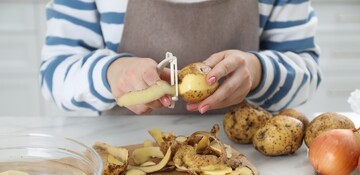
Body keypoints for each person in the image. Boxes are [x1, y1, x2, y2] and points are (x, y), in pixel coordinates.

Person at [40, 0, 322, 115]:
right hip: (123, 158)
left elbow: (307, 70)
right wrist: (110, 72)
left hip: (243, 162)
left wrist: (259, 71)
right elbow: (54, 73)